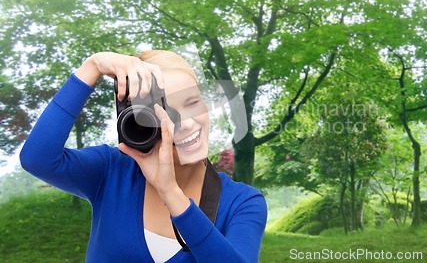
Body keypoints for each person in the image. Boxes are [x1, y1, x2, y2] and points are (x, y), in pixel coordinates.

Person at [20, 50, 267, 263]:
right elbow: (37, 158)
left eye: (192, 102)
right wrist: (93, 66)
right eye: (167, 112)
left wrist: (171, 193)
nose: (189, 123)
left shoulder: (243, 202)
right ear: (143, 123)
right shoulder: (112, 170)